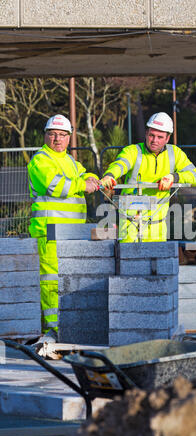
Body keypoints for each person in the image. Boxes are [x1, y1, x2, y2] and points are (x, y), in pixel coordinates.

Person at [27, 114, 100, 347]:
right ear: (46, 135)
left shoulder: (68, 160)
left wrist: (92, 179)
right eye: (53, 134)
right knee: (51, 281)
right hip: (49, 231)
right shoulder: (40, 160)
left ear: (69, 138)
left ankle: (66, 325)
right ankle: (53, 328)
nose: (57, 139)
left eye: (62, 135)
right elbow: (57, 186)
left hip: (71, 232)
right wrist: (84, 185)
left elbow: (84, 173)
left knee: (68, 279)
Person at [99, 112, 196, 242]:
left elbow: (194, 175)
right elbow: (120, 164)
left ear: (167, 138)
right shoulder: (133, 151)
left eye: (160, 137)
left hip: (158, 226)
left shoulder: (175, 154)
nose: (154, 140)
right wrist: (110, 175)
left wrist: (174, 177)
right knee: (129, 261)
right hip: (131, 225)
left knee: (157, 261)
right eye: (151, 135)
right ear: (146, 133)